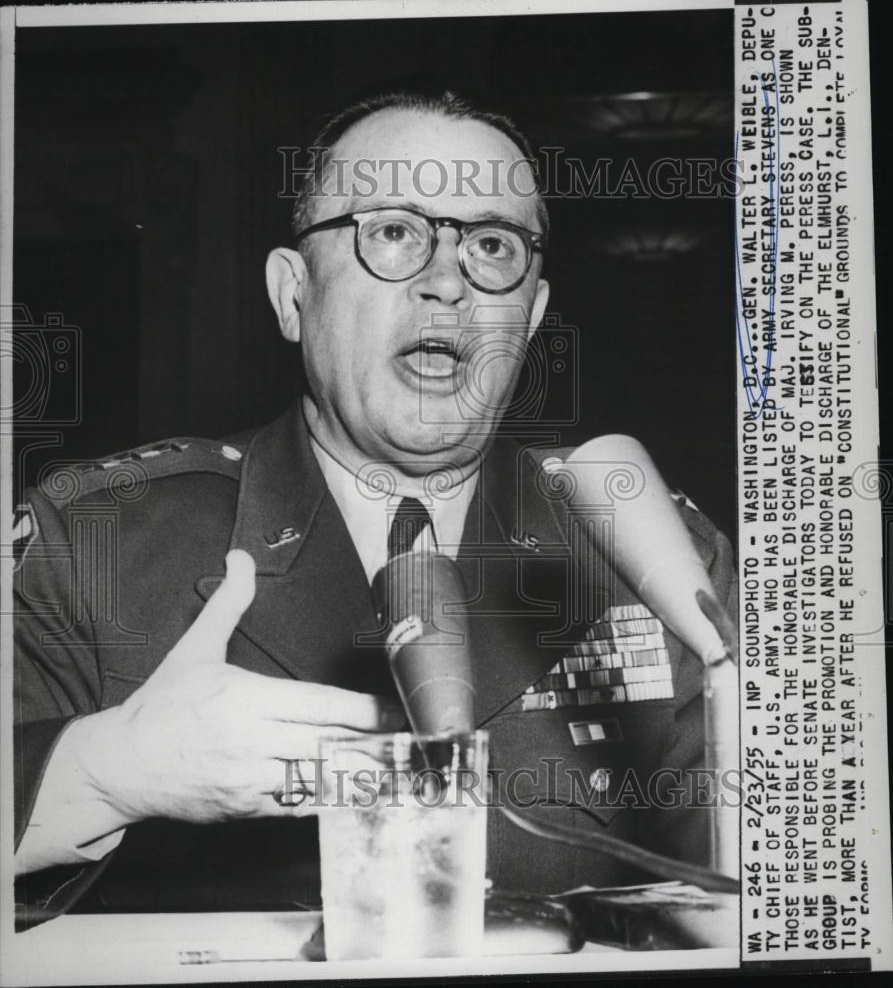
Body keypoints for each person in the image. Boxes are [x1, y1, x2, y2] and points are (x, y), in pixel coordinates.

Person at [13, 90, 736, 928]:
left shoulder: (646, 550)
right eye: (393, 231)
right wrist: (105, 770)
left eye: (492, 245)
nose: (444, 284)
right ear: (293, 294)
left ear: (531, 317)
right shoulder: (95, 537)